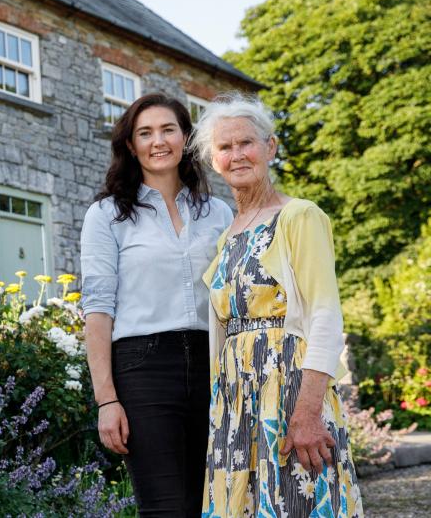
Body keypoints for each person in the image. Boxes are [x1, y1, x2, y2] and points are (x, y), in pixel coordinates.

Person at [190, 93, 363, 517]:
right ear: (214, 160)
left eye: (246, 142)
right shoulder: (227, 234)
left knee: (297, 501)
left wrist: (307, 412)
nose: (237, 155)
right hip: (235, 396)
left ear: (270, 147)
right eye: (225, 147)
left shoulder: (299, 217)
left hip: (289, 389)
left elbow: (325, 314)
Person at [80, 93, 233, 516]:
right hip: (142, 370)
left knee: (216, 503)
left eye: (168, 129)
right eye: (144, 133)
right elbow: (97, 308)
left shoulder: (218, 213)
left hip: (213, 367)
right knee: (166, 507)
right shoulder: (107, 215)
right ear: (131, 145)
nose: (157, 141)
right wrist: (106, 400)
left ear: (186, 137)